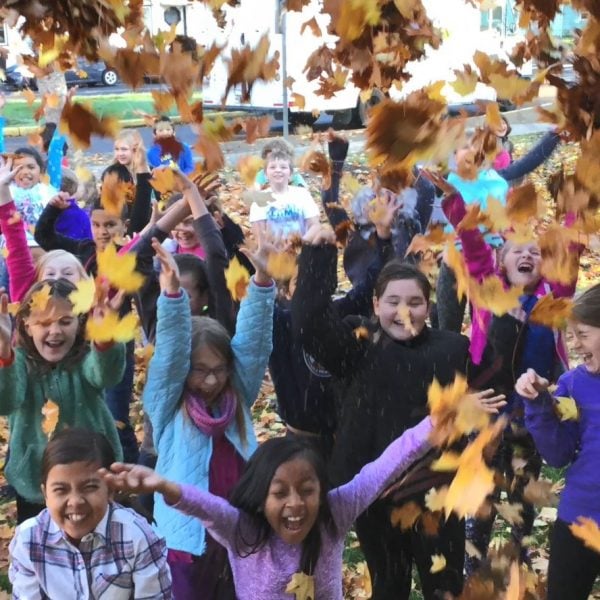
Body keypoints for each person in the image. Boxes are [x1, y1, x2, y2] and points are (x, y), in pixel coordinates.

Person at [291, 225, 502, 599]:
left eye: (415, 302)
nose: (404, 312)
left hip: (439, 495)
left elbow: (494, 390)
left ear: (429, 306)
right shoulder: (358, 346)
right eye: (392, 302)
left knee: (445, 587)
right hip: (376, 497)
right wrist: (317, 257)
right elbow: (309, 325)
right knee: (389, 587)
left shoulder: (452, 349)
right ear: (375, 305)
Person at [101, 416, 435, 600]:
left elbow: (383, 467)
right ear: (262, 497)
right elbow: (206, 507)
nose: (295, 504)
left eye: (307, 490)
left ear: (322, 491)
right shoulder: (243, 529)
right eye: (280, 493)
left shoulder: (335, 513)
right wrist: (162, 485)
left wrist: (436, 424)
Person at [437, 174, 579, 574]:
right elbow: (472, 244)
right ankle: (474, 553)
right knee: (483, 486)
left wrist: (576, 206)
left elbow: (569, 246)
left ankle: (519, 547)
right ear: (501, 261)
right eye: (516, 250)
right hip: (487, 407)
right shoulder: (487, 287)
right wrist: (455, 207)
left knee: (522, 488)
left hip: (529, 414)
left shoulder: (554, 298)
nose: (526, 255)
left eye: (533, 250)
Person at [140, 230, 274, 598]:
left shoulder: (237, 395)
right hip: (187, 540)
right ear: (185, 372)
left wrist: (261, 282)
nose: (211, 379)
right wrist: (171, 297)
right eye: (200, 370)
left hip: (239, 532)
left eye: (219, 368)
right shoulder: (169, 401)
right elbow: (168, 354)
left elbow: (254, 343)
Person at [0, 279, 125, 523]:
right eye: (44, 323)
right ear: (26, 325)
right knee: (42, 548)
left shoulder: (84, 359)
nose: (55, 331)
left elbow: (106, 373)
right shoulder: (20, 364)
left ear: (79, 323)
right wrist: (4, 354)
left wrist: (104, 337)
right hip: (36, 482)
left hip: (92, 473)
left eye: (65, 321)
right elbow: (7, 400)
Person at [9, 428, 172, 599]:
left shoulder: (138, 537)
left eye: (89, 487)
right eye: (61, 490)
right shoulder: (29, 540)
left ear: (110, 490)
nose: (75, 501)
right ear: (45, 495)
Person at [515, 282, 600, 600]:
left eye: (583, 334)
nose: (575, 345)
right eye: (570, 335)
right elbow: (557, 453)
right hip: (578, 517)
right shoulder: (571, 385)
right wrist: (538, 405)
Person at [437, 128, 562, 332]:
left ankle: (478, 358)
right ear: (453, 155)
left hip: (489, 263)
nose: (473, 152)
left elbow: (527, 163)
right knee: (446, 329)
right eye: (466, 147)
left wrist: (554, 135)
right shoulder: (445, 183)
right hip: (454, 264)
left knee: (485, 326)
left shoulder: (498, 179)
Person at [248, 150, 320, 239]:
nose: (278, 170)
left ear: (291, 174)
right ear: (265, 175)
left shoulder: (302, 195)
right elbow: (259, 235)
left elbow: (315, 226)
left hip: (303, 247)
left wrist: (301, 244)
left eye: (283, 167)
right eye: (273, 167)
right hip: (274, 251)